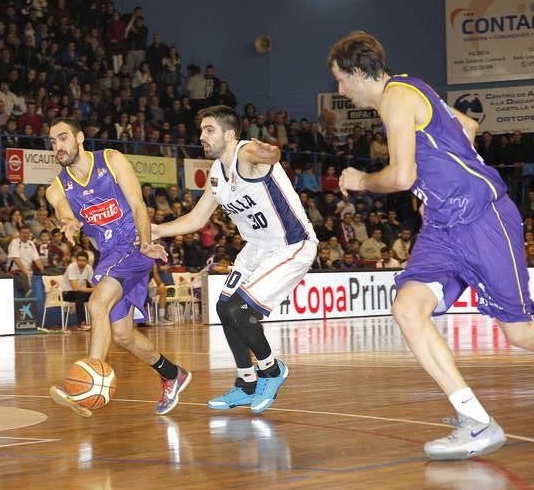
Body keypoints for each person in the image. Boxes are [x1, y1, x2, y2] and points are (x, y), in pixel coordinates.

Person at [329, 31, 528, 460]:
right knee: (406, 308)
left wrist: (361, 180)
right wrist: (437, 191)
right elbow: (468, 128)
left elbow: (400, 177)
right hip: (444, 224)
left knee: (518, 331)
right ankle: (476, 421)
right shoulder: (414, 87)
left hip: (481, 219)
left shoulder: (396, 100)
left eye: (342, 80)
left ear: (360, 72)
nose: (340, 90)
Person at [153, 106, 317, 413]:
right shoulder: (217, 173)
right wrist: (157, 229)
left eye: (209, 130)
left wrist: (270, 153)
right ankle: (246, 383)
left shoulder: (245, 154)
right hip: (257, 247)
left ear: (229, 135)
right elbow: (197, 218)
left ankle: (272, 370)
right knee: (223, 307)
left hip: (291, 245)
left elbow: (262, 154)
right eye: (201, 130)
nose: (201, 136)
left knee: (239, 309)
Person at [45, 117, 190, 417]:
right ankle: (172, 373)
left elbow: (138, 204)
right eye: (53, 142)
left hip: (135, 245)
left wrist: (147, 241)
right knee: (122, 334)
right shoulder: (57, 188)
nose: (57, 146)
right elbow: (63, 211)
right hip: (110, 255)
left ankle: (88, 382)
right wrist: (68, 221)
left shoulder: (111, 160)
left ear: (80, 138)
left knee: (97, 304)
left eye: (63, 138)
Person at [61, 250, 94, 330]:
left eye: (83, 260)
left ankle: (98, 322)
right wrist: (94, 289)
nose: (81, 262)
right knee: (79, 295)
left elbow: (93, 284)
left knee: (97, 296)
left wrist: (97, 291)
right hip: (66, 293)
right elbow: (75, 288)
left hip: (81, 293)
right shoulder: (72, 267)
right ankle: (81, 323)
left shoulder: (89, 268)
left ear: (87, 261)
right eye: (79, 260)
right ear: (76, 260)